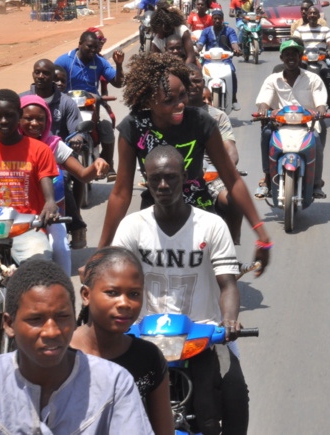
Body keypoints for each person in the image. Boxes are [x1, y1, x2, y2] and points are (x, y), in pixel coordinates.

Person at [112, 146, 249, 435]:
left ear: (185, 177)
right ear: (145, 180)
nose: (163, 185)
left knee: (235, 395)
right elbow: (114, 282)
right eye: (155, 178)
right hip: (144, 337)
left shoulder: (212, 225)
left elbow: (228, 285)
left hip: (204, 334)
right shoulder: (132, 227)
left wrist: (229, 321)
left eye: (171, 177)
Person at [98, 53, 271, 275]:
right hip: (154, 217)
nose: (180, 105)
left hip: (198, 213)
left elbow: (231, 178)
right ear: (149, 100)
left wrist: (261, 233)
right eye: (169, 101)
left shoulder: (201, 122)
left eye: (183, 96)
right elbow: (121, 193)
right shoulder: (132, 128)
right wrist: (102, 251)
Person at [0, 259, 154, 433]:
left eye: (62, 317)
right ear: (9, 324)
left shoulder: (114, 384)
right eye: (35, 319)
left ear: (74, 317)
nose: (52, 332)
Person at [71, 247, 174, 435]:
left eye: (134, 294)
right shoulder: (61, 354)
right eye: (112, 292)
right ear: (86, 295)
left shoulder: (148, 357)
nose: (124, 303)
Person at [19, 95, 109, 274]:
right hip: (14, 213)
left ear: (48, 120)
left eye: (40, 119)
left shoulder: (54, 146)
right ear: (18, 119)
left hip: (49, 214)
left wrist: (97, 164)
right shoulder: (8, 145)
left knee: (60, 249)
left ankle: (64, 295)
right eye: (28, 118)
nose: (35, 123)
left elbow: (82, 175)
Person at [0, 90, 58, 263]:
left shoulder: (39, 150)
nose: (4, 121)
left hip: (26, 229)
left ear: (20, 115)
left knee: (40, 267)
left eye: (10, 115)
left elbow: (47, 185)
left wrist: (50, 203)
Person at [255, 38, 328, 199]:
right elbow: (264, 100)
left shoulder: (313, 78)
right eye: (287, 55)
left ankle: (316, 183)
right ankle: (267, 178)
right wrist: (262, 110)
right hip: (280, 125)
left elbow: (320, 101)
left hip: (307, 125)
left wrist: (321, 110)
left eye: (294, 54)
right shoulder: (273, 79)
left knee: (316, 139)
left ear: (300, 56)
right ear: (281, 58)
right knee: (266, 134)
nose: (291, 58)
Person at [186, 64, 244, 245]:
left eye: (197, 81)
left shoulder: (217, 116)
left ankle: (232, 241)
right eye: (188, 82)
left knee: (236, 198)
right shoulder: (172, 113)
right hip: (180, 177)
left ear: (203, 83)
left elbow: (230, 149)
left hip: (212, 176)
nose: (193, 85)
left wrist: (229, 164)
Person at [54, 31, 124, 180]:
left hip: (93, 104)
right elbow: (53, 81)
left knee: (106, 127)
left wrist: (119, 65)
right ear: (79, 45)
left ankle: (108, 164)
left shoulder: (99, 62)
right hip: (67, 103)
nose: (93, 51)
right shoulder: (64, 60)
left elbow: (118, 83)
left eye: (96, 48)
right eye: (89, 47)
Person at [196, 8, 243, 111]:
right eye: (215, 18)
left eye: (219, 18)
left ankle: (234, 99)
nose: (217, 20)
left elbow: (234, 42)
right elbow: (200, 44)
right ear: (212, 19)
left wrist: (236, 49)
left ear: (222, 19)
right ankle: (199, 97)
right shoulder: (206, 31)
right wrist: (196, 49)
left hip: (225, 61)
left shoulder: (229, 31)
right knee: (199, 76)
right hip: (209, 61)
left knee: (232, 72)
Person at [293, 6, 330, 111]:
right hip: (304, 59)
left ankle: (329, 98)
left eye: (315, 13)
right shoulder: (300, 30)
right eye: (310, 13)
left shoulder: (325, 29)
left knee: (327, 73)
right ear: (307, 15)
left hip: (320, 59)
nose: (312, 15)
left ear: (318, 16)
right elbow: (295, 42)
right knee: (294, 72)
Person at [150, 0, 198, 65]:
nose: (158, 35)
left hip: (187, 64)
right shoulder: (156, 42)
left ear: (167, 27)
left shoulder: (182, 31)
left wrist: (183, 72)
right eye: (156, 32)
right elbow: (155, 63)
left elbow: (191, 57)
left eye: (160, 32)